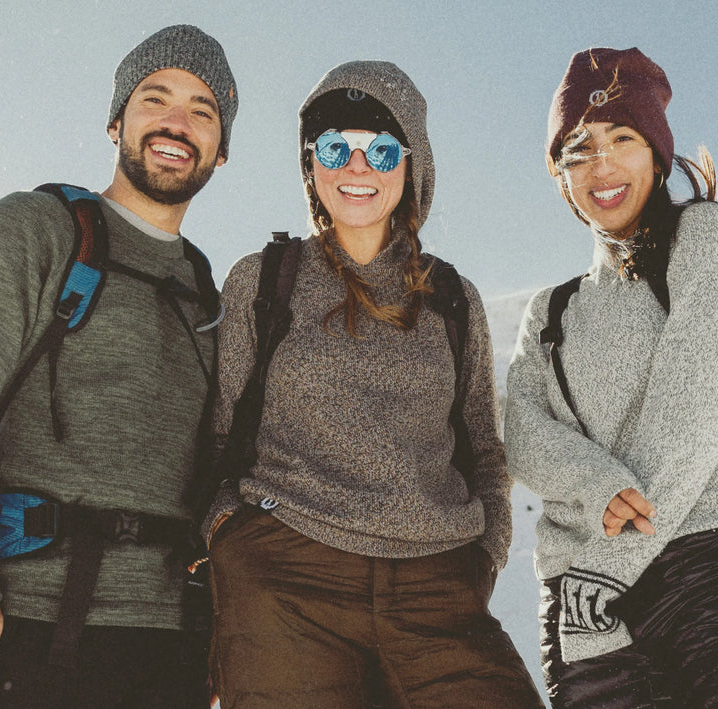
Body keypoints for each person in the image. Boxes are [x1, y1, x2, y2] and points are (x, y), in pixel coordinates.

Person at [0, 24, 235, 709]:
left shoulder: (207, 294)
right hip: (21, 629)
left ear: (220, 150)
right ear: (116, 120)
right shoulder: (34, 230)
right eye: (155, 98)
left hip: (168, 650)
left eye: (203, 111)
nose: (177, 122)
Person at [202, 60, 543, 708]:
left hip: (435, 582)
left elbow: (483, 447)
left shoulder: (451, 297)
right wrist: (231, 536)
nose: (357, 167)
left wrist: (486, 555)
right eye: (336, 147)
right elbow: (219, 432)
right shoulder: (263, 278)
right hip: (289, 573)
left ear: (411, 167)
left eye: (381, 149)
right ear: (312, 164)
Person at [504, 47, 718, 707]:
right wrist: (594, 482)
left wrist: (608, 563)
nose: (602, 164)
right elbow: (520, 429)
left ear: (656, 153)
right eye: (579, 147)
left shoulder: (705, 241)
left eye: (622, 138)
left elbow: (693, 412)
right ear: (560, 173)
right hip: (589, 611)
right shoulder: (551, 311)